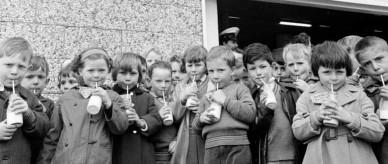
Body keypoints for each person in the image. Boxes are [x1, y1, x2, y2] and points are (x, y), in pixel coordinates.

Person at [292, 41, 384, 164]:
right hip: (320, 157)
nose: (334, 78)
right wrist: (317, 116)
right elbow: (298, 132)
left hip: (357, 157)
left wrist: (350, 118)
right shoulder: (307, 96)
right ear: (316, 72)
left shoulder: (359, 95)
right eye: (327, 72)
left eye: (339, 72)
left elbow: (377, 132)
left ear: (347, 71)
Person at [37, 48, 129, 164]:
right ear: (80, 71)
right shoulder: (66, 99)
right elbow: (52, 137)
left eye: (101, 70)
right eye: (90, 70)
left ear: (108, 71)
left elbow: (121, 127)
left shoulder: (113, 97)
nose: (96, 75)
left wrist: (108, 104)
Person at [193, 46, 256, 164]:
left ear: (232, 70)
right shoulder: (207, 96)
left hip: (238, 144)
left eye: (220, 70)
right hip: (212, 146)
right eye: (211, 71)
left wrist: (225, 101)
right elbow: (195, 127)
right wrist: (201, 119)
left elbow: (250, 114)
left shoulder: (240, 89)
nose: (215, 76)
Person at [243, 43, 302, 164]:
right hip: (268, 157)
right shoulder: (250, 97)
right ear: (247, 71)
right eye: (253, 68)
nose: (258, 72)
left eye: (263, 66)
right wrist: (266, 109)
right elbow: (252, 133)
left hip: (294, 155)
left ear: (272, 66)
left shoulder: (290, 91)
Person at [0, 37, 49, 164]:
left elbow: (44, 129)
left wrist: (28, 114)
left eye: (21, 67)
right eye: (9, 65)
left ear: (28, 68)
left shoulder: (30, 98)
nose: (15, 71)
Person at [111, 52, 162, 164]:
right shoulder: (110, 96)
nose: (128, 78)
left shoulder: (146, 97)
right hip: (117, 151)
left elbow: (156, 119)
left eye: (133, 73)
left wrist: (141, 121)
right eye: (123, 73)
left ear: (139, 76)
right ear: (115, 74)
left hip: (142, 153)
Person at [171, 45, 208, 164]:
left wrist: (202, 107)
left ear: (206, 65)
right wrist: (182, 99)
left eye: (198, 65)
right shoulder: (181, 86)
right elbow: (174, 116)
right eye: (189, 65)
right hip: (187, 136)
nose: (193, 69)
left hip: (205, 134)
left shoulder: (211, 83)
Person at [354, 36, 388, 164]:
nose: (375, 67)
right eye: (367, 63)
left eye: (379, 59)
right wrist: (375, 124)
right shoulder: (362, 93)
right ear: (362, 68)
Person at [20, 55, 55, 163]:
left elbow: (52, 135)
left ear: (47, 81)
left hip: (41, 156)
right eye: (30, 77)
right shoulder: (15, 101)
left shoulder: (50, 105)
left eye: (40, 77)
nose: (36, 81)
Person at [148, 61, 178, 164]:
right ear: (149, 80)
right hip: (153, 155)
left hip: (175, 153)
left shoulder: (174, 100)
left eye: (167, 81)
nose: (163, 85)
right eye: (158, 81)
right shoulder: (146, 99)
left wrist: (177, 139)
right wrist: (158, 116)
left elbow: (182, 124)